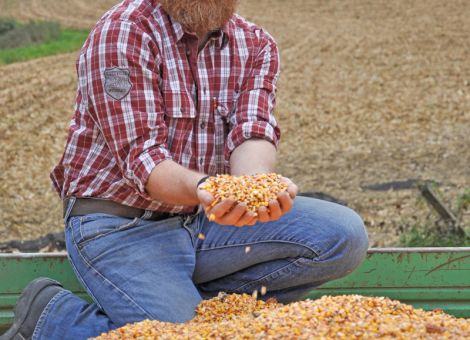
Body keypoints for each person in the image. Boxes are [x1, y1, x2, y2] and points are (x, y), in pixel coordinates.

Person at [1, 0, 368, 339]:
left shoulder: (256, 44)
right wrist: (209, 188)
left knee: (342, 235)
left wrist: (252, 188)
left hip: (203, 220)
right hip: (121, 225)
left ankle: (183, 306)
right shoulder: (125, 31)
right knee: (195, 337)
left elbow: (252, 132)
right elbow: (142, 160)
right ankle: (55, 318)